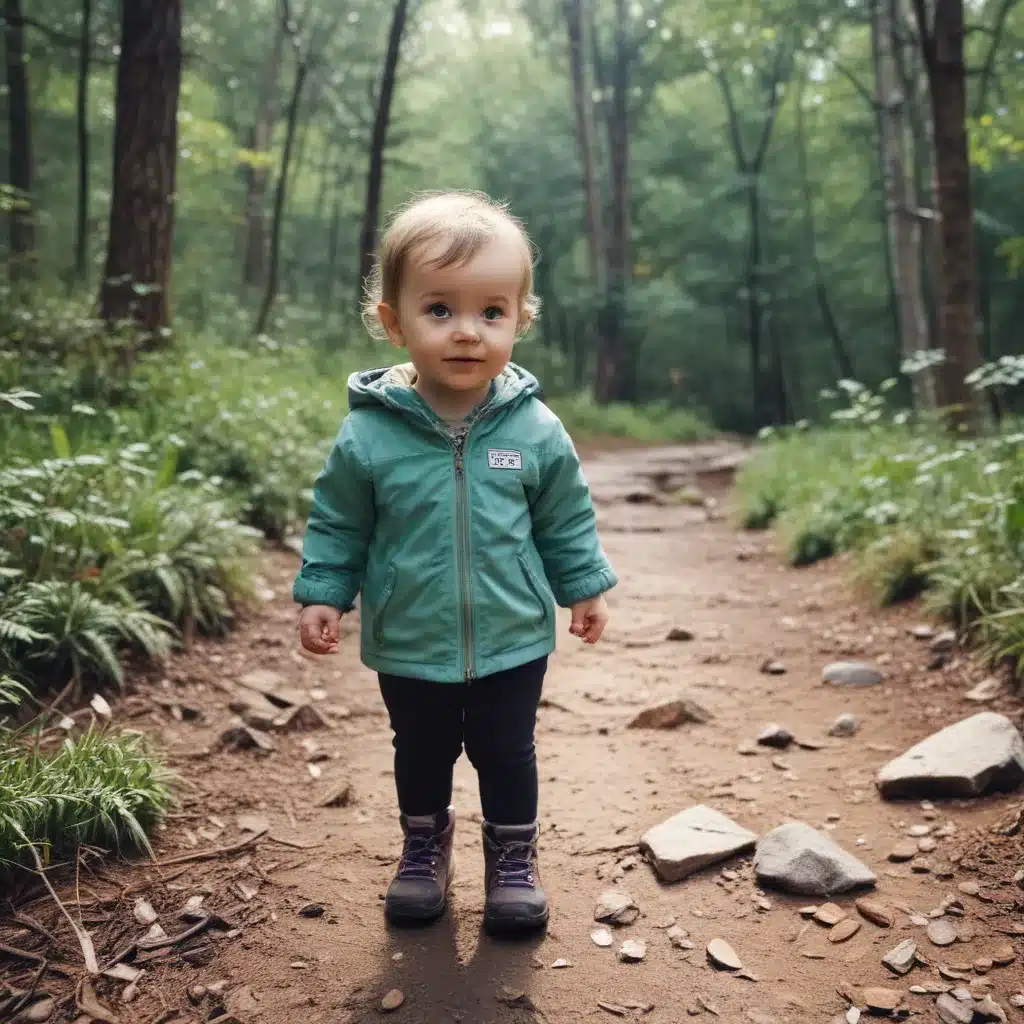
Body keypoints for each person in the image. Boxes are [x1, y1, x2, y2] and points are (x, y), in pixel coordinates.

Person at [293, 190, 617, 935]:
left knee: (508, 750)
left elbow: (563, 517)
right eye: (440, 310)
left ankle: (512, 860)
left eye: (491, 312)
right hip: (409, 635)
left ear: (521, 319)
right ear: (394, 321)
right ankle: (422, 846)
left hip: (512, 634)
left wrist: (584, 586)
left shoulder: (534, 429)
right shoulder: (369, 436)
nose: (467, 332)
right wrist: (325, 592)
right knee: (422, 749)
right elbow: (340, 519)